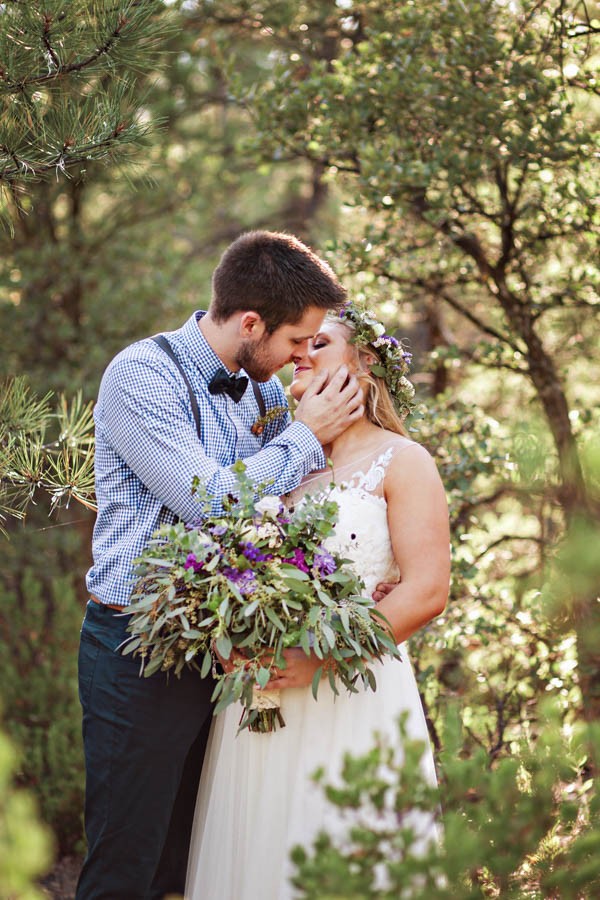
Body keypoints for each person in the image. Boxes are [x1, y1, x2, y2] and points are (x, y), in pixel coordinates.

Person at [77, 231, 368, 900]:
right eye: (298, 340)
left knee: (201, 859)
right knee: (129, 866)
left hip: (232, 659)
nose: (303, 356)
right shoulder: (140, 375)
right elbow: (212, 504)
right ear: (250, 322)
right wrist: (305, 434)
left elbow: (285, 513)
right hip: (136, 655)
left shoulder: (264, 392)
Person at [185, 304, 451, 899]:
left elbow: (428, 590)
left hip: (350, 690)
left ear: (365, 364)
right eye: (298, 342)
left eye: (320, 343)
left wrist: (319, 659)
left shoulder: (402, 462)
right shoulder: (280, 463)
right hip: (261, 695)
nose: (300, 352)